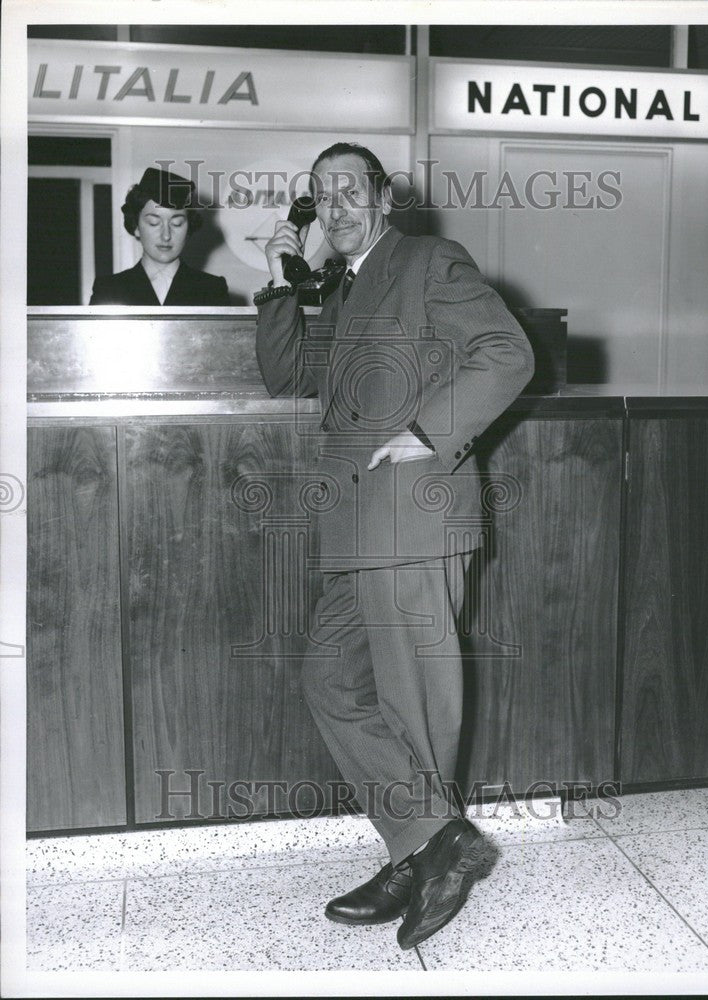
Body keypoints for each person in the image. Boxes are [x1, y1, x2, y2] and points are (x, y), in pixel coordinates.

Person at [255, 142, 535, 949]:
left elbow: (507, 352)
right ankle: (434, 841)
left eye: (351, 191)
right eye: (321, 197)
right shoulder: (344, 289)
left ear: (384, 197)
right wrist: (283, 276)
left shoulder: (425, 259)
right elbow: (284, 374)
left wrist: (428, 431)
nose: (336, 207)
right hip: (356, 526)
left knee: (413, 706)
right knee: (332, 683)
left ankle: (422, 854)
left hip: (412, 514)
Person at [89, 167, 230, 306]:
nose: (166, 236)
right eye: (154, 223)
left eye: (177, 223)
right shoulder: (108, 289)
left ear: (188, 229)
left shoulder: (213, 290)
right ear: (136, 226)